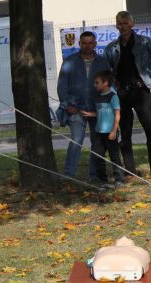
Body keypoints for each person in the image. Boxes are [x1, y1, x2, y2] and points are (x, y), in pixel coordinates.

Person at [105, 10, 151, 181]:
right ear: (116, 26)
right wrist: (113, 83)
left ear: (132, 24)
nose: (122, 27)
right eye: (119, 24)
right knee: (125, 133)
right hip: (122, 94)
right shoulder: (112, 48)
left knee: (150, 130)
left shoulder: (144, 42)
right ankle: (130, 171)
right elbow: (107, 71)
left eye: (125, 23)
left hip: (141, 92)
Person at [57, 31, 111, 181]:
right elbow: (62, 86)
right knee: (76, 141)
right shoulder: (69, 61)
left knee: (97, 143)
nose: (87, 46)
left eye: (90, 43)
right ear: (79, 44)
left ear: (95, 44)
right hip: (76, 108)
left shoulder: (102, 62)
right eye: (84, 43)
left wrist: (105, 105)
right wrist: (66, 104)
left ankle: (94, 176)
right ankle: (69, 175)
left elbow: (108, 85)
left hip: (97, 109)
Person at [81, 70, 125, 188]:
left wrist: (114, 131)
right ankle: (103, 180)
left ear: (105, 83)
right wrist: (90, 114)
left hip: (110, 132)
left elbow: (117, 114)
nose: (95, 85)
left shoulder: (113, 97)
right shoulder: (97, 98)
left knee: (114, 157)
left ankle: (119, 179)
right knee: (98, 156)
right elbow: (100, 113)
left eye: (97, 82)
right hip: (99, 133)